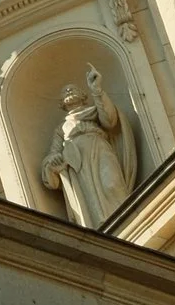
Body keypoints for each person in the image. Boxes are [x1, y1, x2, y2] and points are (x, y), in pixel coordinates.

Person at [38, 71, 129, 229]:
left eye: (72, 89)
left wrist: (97, 90)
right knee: (90, 197)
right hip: (79, 164)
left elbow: (109, 121)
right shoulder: (62, 129)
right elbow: (53, 155)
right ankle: (101, 226)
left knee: (112, 184)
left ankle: (127, 219)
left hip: (100, 150)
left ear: (82, 95)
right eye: (65, 91)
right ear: (62, 103)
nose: (68, 91)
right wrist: (53, 162)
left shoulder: (94, 112)